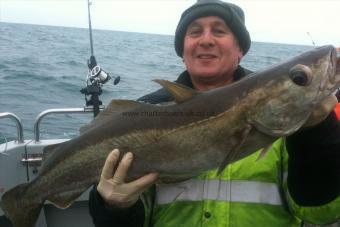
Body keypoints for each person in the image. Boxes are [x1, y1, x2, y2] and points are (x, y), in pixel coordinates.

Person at [88, 0, 340, 226]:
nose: (206, 40)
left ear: (240, 49)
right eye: (194, 32)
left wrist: (317, 134)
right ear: (183, 51)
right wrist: (112, 208)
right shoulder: (145, 114)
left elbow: (320, 213)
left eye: (219, 31)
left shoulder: (299, 123)